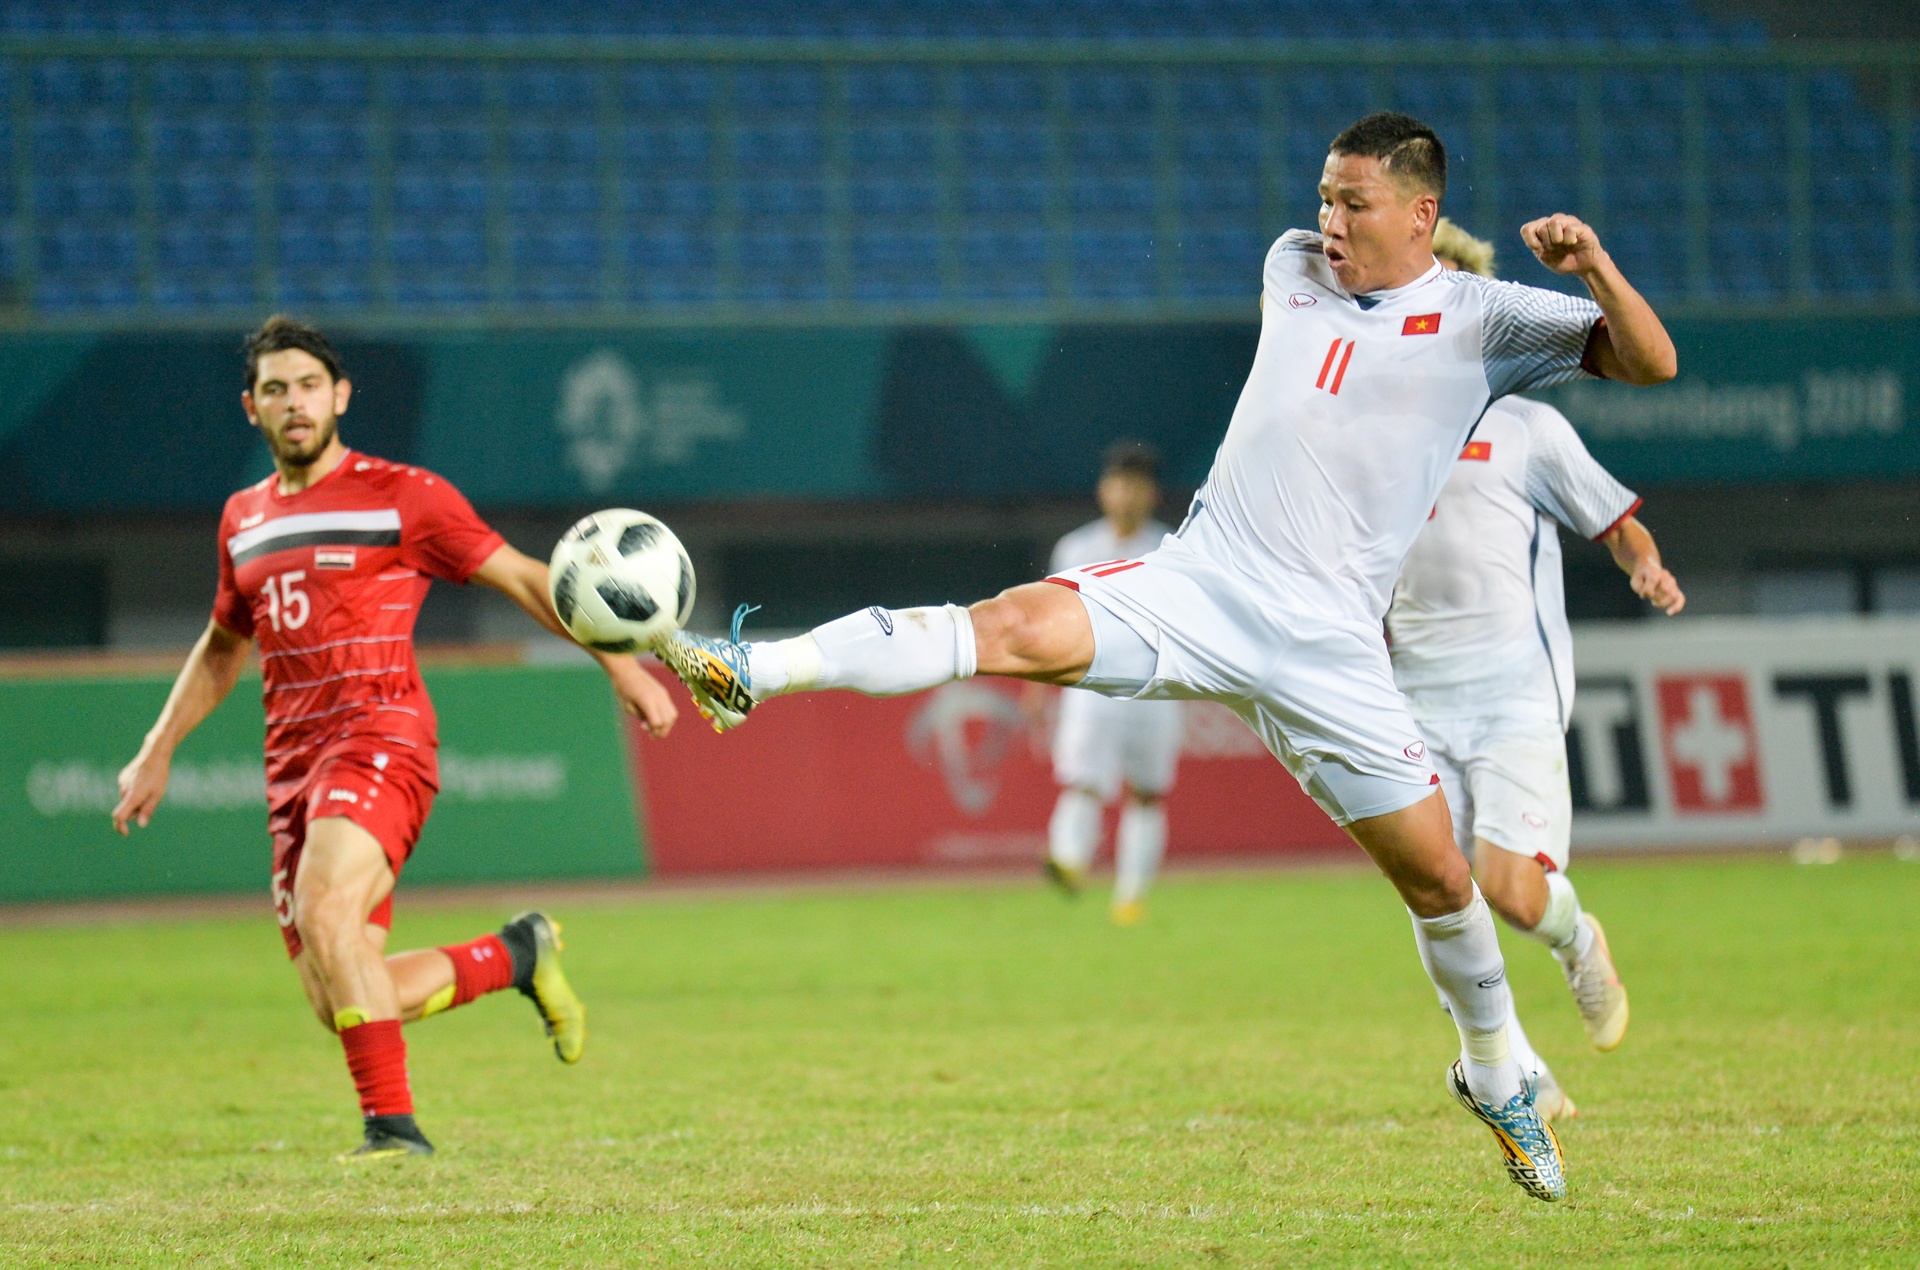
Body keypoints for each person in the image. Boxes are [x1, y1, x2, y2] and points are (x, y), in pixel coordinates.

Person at [656, 112, 1677, 1202]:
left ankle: (1492, 1070)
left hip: (1332, 643)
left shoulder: (1486, 320)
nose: (1326, 222)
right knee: (1007, 626)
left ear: (1421, 212)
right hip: (1207, 582)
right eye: (1325, 198)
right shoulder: (1292, 267)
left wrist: (1596, 269)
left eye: (1355, 204)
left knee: (1441, 879)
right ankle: (756, 670)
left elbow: (1651, 363)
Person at [111, 316, 679, 1161]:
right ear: (251, 408)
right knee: (339, 985)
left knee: (327, 909)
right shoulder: (242, 519)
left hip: (381, 736)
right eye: (275, 389)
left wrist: (620, 665)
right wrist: (157, 748)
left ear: (339, 396)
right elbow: (225, 643)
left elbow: (527, 577)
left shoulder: (403, 495)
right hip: (291, 767)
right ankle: (515, 955)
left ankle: (393, 1132)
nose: (293, 403)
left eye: (308, 385)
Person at [1390, 218, 1687, 1120]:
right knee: (1433, 888)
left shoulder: (1525, 428)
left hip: (1511, 691)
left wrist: (1641, 558)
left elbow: (1612, 516)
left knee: (1509, 891)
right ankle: (1517, 1068)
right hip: (1406, 701)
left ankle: (1576, 937)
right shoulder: (1368, 432)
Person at [1033, 442, 1184, 925]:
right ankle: (1069, 860)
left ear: (1152, 494)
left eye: (1137, 485)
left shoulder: (1170, 549)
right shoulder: (1076, 549)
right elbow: (1050, 622)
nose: (1127, 495)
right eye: (1120, 483)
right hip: (1093, 688)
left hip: (1154, 689)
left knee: (1146, 790)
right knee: (1083, 780)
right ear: (1103, 489)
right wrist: (1036, 682)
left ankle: (1131, 894)